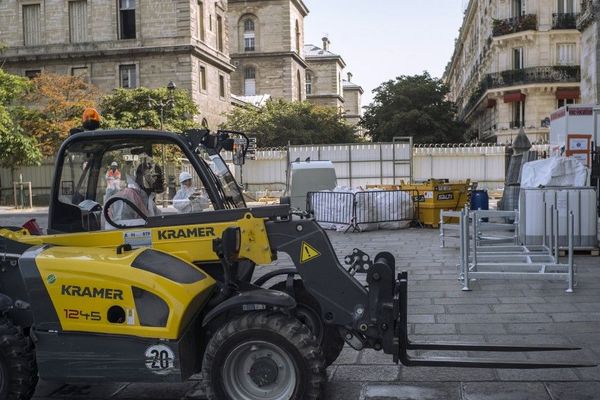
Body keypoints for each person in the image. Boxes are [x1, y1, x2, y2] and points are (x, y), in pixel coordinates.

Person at [105, 158, 164, 226]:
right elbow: (124, 227)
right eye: (155, 176)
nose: (160, 180)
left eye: (160, 176)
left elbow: (158, 218)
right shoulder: (128, 197)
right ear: (140, 177)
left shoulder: (148, 198)